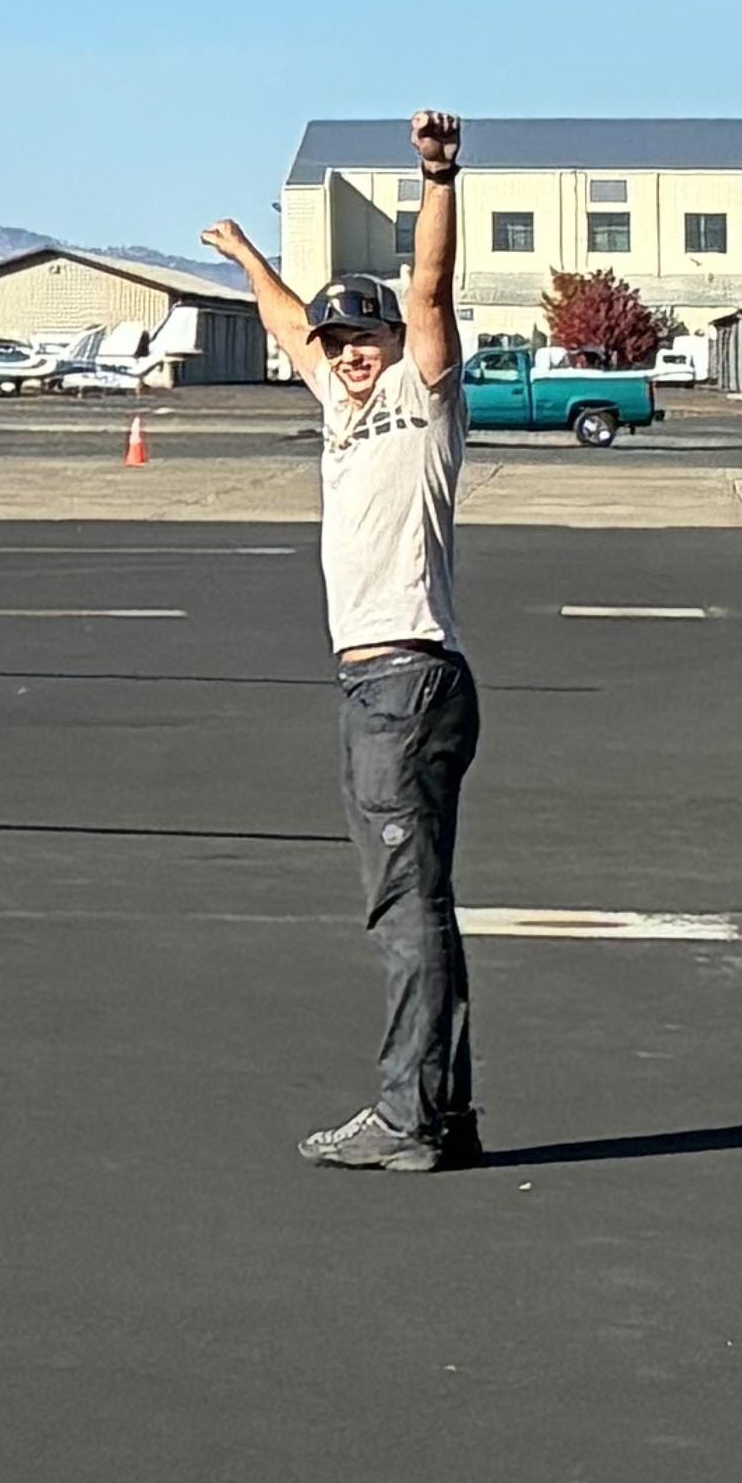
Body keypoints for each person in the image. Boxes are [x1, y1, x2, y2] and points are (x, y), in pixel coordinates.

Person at [201, 111, 482, 1176]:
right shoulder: (342, 410)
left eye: (361, 339)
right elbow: (284, 327)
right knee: (426, 904)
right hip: (391, 685)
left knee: (403, 909)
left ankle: (407, 1118)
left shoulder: (421, 396)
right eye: (337, 344)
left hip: (402, 682)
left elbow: (432, 290)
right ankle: (444, 1113)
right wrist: (248, 258)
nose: (348, 356)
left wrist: (437, 178)